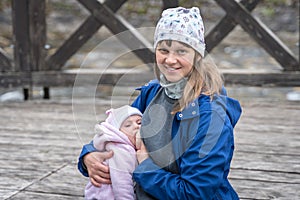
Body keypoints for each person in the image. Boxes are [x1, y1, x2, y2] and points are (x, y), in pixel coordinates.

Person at [78, 6, 242, 199]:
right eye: (163, 50)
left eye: (181, 51)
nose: (170, 60)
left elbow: (195, 193)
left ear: (198, 55)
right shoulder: (153, 92)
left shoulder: (212, 116)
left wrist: (146, 167)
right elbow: (116, 129)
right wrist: (89, 156)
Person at [84, 105, 142, 200]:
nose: (136, 127)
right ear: (117, 132)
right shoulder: (121, 151)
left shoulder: (129, 147)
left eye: (140, 122)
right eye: (128, 125)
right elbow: (122, 184)